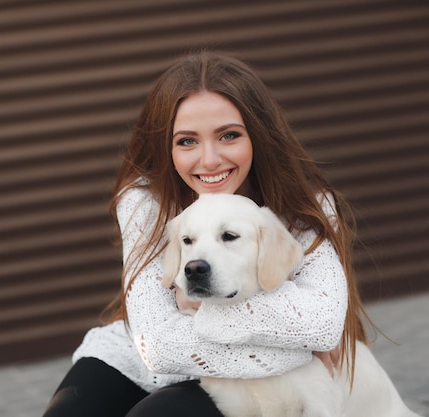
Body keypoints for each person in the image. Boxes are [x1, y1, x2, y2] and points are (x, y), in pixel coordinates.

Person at [42, 51, 371, 417]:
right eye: (187, 141)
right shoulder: (145, 203)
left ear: (258, 137)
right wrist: (296, 343)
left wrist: (200, 308)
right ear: (166, 147)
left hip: (248, 384)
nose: (210, 159)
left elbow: (324, 327)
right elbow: (158, 347)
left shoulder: (305, 208)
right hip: (134, 358)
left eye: (228, 135)